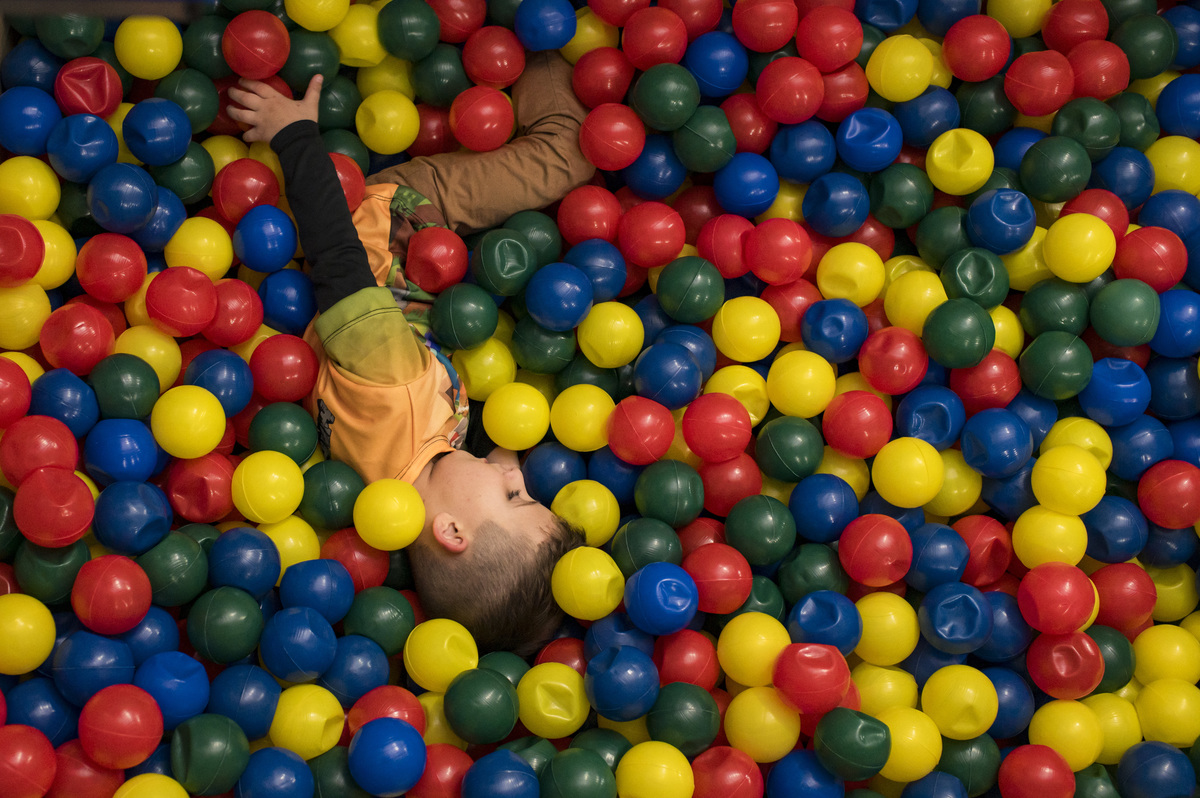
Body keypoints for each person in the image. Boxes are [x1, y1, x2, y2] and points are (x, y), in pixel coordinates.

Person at [227, 52, 594, 656]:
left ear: (450, 531)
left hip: (394, 215)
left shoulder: (391, 389)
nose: (516, 474)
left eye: (514, 496)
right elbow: (478, 453)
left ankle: (543, 40)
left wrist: (294, 135)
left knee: (570, 154)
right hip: (433, 270)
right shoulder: (389, 493)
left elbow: (339, 259)